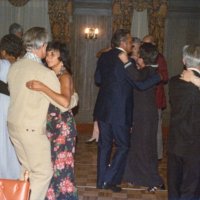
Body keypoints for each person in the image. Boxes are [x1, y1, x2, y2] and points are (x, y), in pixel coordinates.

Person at [7, 27, 78, 200]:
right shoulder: (44, 73)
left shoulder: (14, 67)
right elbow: (65, 103)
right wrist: (75, 97)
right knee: (43, 173)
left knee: (27, 170)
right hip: (31, 130)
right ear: (43, 46)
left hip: (13, 127)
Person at [94, 29, 161, 192]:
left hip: (103, 109)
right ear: (123, 43)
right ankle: (110, 180)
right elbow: (137, 80)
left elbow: (98, 79)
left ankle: (101, 181)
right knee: (123, 146)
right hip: (120, 111)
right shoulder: (126, 61)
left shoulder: (104, 56)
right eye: (130, 42)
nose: (132, 45)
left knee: (104, 146)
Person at [26, 41, 78, 199]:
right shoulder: (51, 75)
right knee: (52, 165)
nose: (47, 58)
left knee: (61, 167)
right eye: (47, 54)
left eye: (52, 54)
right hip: (52, 125)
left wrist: (42, 87)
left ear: (61, 58)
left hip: (62, 126)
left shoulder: (64, 76)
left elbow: (65, 102)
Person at [123, 43, 165, 192]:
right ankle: (135, 177)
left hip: (147, 117)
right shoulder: (147, 70)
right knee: (137, 146)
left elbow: (139, 84)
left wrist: (127, 63)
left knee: (147, 148)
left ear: (144, 58)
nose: (137, 57)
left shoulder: (153, 72)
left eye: (139, 55)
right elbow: (137, 77)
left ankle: (155, 181)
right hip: (141, 115)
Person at [168, 44, 200, 200]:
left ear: (183, 60)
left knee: (174, 187)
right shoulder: (196, 85)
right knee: (191, 189)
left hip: (176, 141)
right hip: (195, 145)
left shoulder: (174, 82)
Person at [0, 34, 23, 178]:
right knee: (10, 144)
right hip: (14, 110)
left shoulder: (3, 65)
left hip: (3, 107)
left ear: (3, 51)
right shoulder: (21, 67)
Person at [143, 34, 168, 160]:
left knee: (157, 128)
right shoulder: (142, 57)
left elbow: (165, 76)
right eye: (143, 43)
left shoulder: (159, 58)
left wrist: (152, 77)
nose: (144, 46)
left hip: (156, 98)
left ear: (153, 44)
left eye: (147, 43)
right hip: (144, 100)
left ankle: (157, 155)